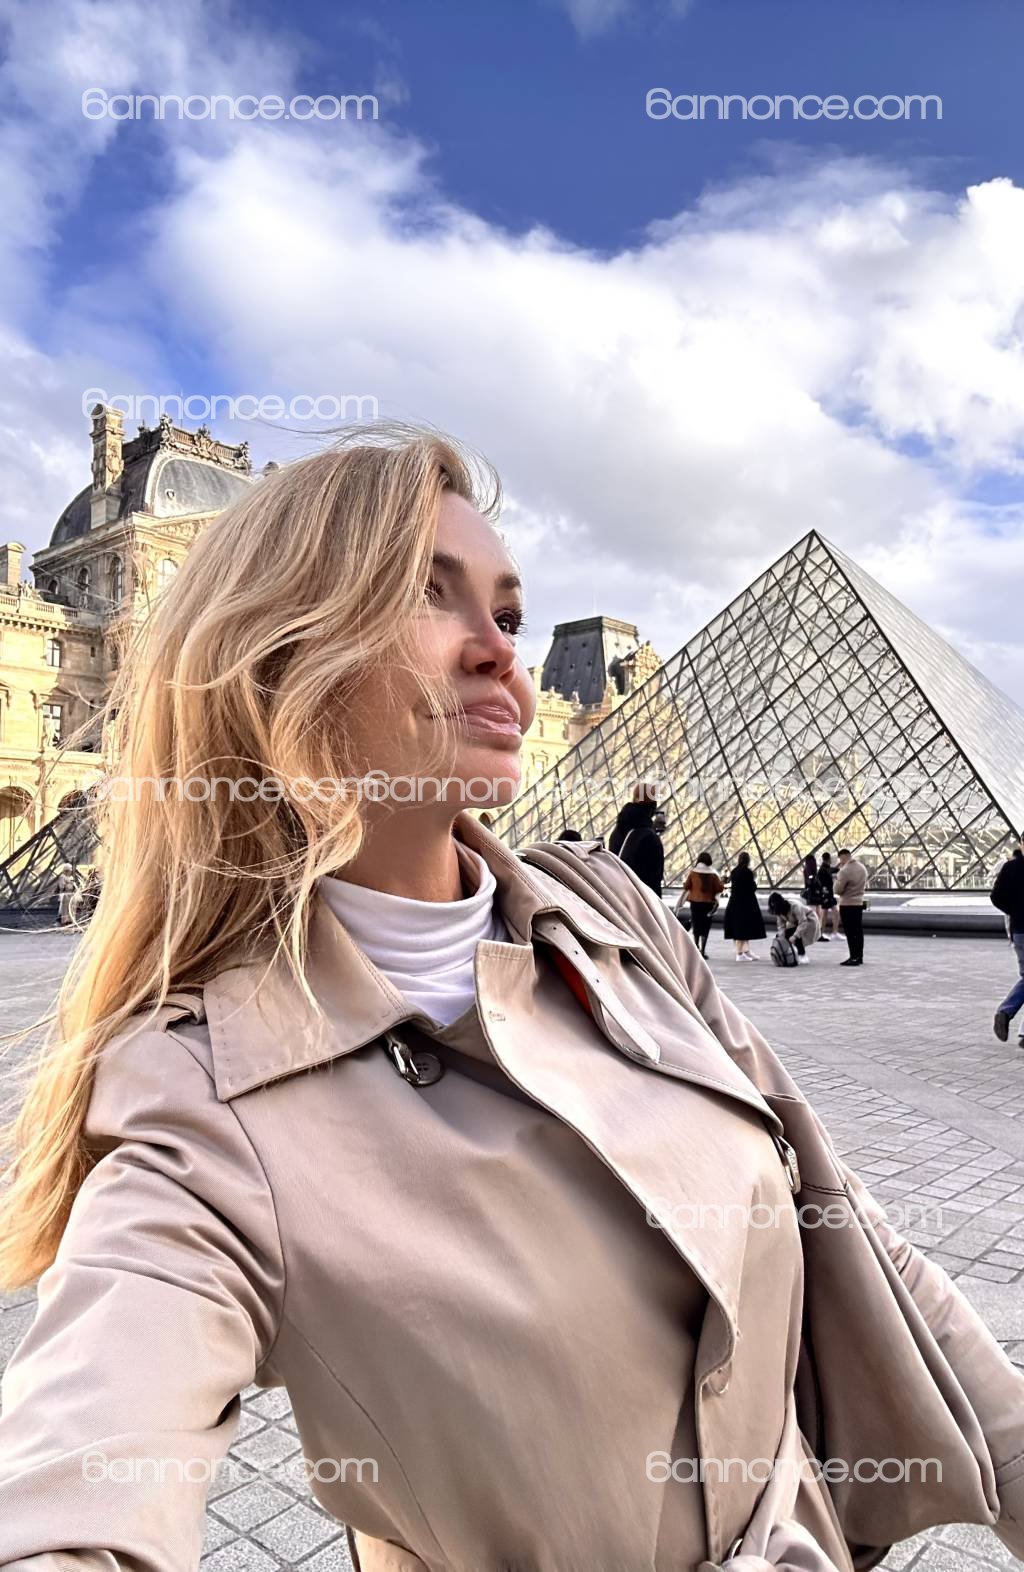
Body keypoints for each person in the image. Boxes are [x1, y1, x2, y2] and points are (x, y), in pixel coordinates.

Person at [1, 425, 1023, 1572]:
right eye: (425, 596)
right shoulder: (201, 1092)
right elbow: (80, 1470)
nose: (500, 653)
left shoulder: (613, 913)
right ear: (274, 663)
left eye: (511, 615)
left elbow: (852, 1230)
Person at [991, 834, 1024, 1046]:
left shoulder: (1010, 867)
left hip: (1019, 929)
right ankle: (1005, 1011)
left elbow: (996, 897)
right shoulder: (1011, 867)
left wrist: (1014, 911)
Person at [609, 784, 664, 898]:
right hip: (640, 899)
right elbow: (653, 879)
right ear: (653, 807)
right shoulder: (649, 837)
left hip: (617, 894)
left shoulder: (617, 832)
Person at [677, 850, 724, 957]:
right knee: (705, 927)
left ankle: (696, 948)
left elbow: (686, 886)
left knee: (696, 925)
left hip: (695, 903)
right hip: (708, 904)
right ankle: (703, 950)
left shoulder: (693, 873)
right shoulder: (713, 874)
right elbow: (719, 888)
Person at [723, 848, 766, 960]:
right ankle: (740, 954)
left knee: (739, 927)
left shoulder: (734, 872)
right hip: (747, 903)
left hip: (735, 902)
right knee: (744, 928)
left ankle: (745, 951)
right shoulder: (748, 873)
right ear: (748, 860)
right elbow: (751, 888)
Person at [767, 891, 821, 965]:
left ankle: (802, 955)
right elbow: (781, 926)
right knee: (784, 935)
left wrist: (795, 936)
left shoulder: (795, 906)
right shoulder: (778, 910)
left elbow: (803, 922)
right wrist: (781, 936)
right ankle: (787, 954)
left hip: (809, 920)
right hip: (797, 923)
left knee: (796, 935)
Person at [835, 847, 868, 966]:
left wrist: (837, 876)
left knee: (850, 932)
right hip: (858, 903)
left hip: (847, 904)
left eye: (840, 859)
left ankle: (853, 957)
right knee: (858, 930)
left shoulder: (844, 871)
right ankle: (859, 956)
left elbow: (838, 890)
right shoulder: (862, 868)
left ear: (842, 857)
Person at [817, 851, 839, 939]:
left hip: (827, 895)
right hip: (827, 895)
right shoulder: (824, 869)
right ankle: (831, 932)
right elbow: (832, 870)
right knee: (831, 913)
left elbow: (832, 870)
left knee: (827, 914)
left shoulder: (824, 868)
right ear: (828, 859)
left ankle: (823, 933)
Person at [801, 854, 823, 923]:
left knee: (812, 912)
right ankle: (819, 926)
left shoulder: (806, 870)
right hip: (817, 892)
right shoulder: (815, 870)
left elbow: (808, 882)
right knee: (818, 911)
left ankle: (814, 926)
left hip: (811, 893)